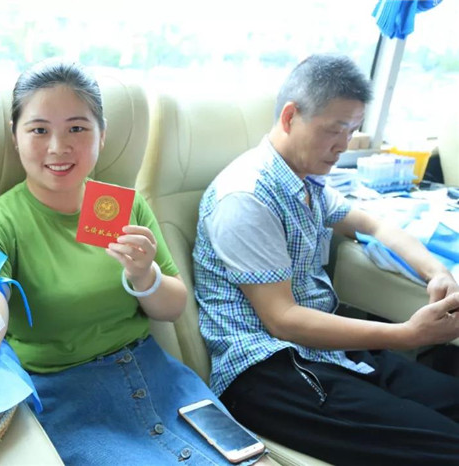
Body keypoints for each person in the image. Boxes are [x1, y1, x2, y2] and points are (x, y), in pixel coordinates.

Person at [0, 59, 263, 466]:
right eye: (39, 130)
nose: (58, 147)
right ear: (15, 136)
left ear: (102, 134)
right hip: (69, 400)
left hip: (159, 377)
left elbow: (171, 308)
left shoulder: (123, 207)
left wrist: (143, 274)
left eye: (77, 128)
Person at [193, 53, 459, 465]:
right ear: (289, 117)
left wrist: (437, 272)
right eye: (334, 130)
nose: (343, 146)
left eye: (352, 131)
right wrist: (406, 335)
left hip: (327, 352)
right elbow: (282, 319)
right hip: (269, 369)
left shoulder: (306, 180)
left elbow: (375, 225)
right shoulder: (245, 197)